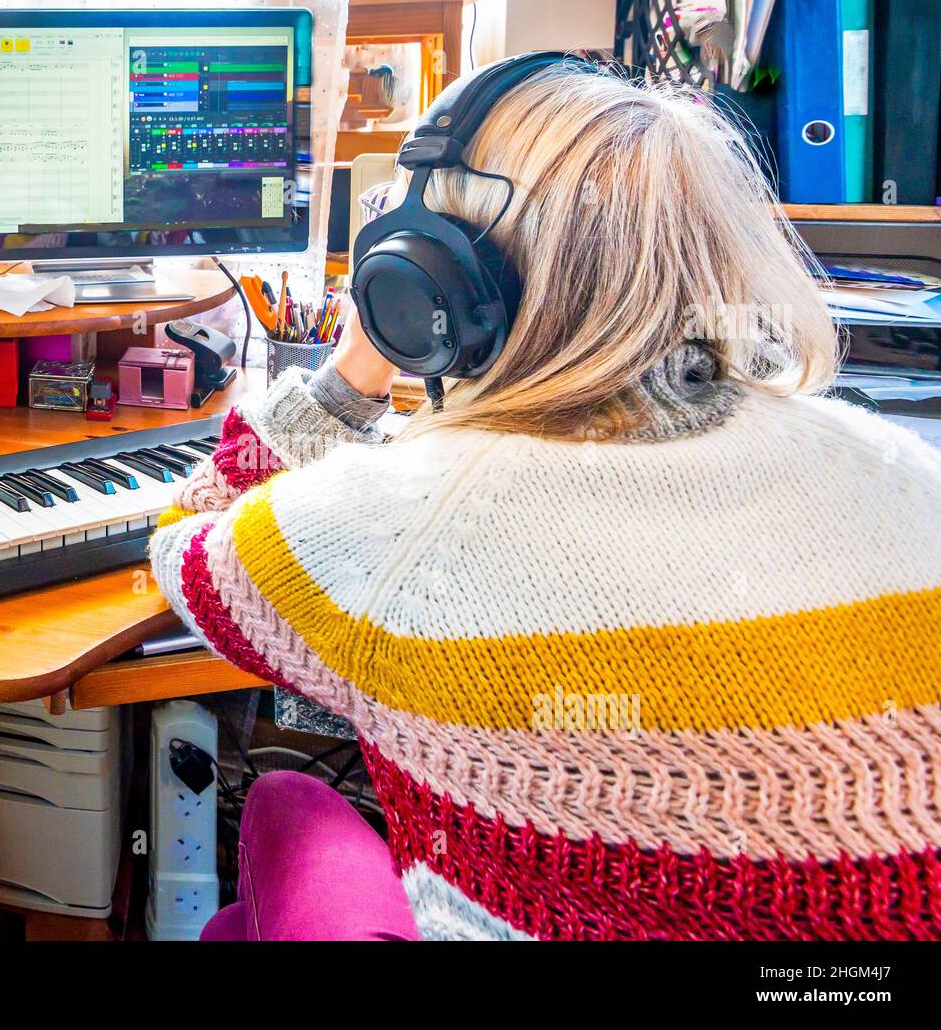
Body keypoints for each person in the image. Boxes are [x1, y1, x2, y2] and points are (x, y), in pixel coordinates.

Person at [150, 62, 941, 940]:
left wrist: (356, 369)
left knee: (285, 803)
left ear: (431, 285)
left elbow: (189, 539)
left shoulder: (406, 522)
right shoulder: (903, 471)